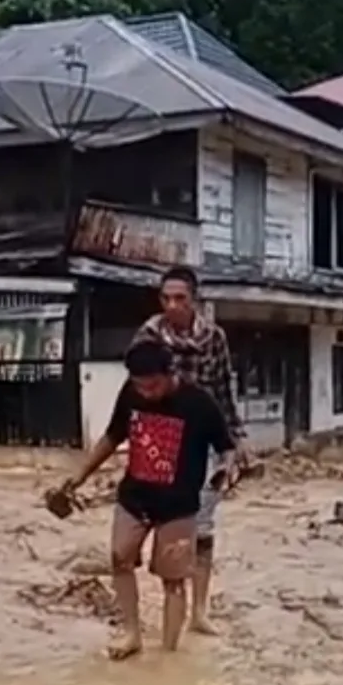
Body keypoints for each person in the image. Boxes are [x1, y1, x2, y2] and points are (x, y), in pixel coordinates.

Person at [61, 338, 234, 660]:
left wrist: (224, 470)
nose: (146, 394)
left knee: (173, 580)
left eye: (153, 386)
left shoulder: (199, 404)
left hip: (179, 507)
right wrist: (80, 475)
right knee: (119, 558)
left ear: (171, 374)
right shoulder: (130, 394)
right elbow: (113, 437)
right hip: (134, 497)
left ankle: (169, 654)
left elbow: (226, 447)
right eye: (140, 386)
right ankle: (131, 634)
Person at [134, 266, 247, 634]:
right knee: (166, 522)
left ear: (194, 300)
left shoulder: (214, 338)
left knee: (203, 524)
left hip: (206, 440)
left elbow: (223, 391)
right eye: (166, 298)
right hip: (162, 438)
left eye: (180, 298)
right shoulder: (148, 337)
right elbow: (136, 390)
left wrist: (236, 442)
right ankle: (171, 603)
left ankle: (199, 610)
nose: (172, 305)